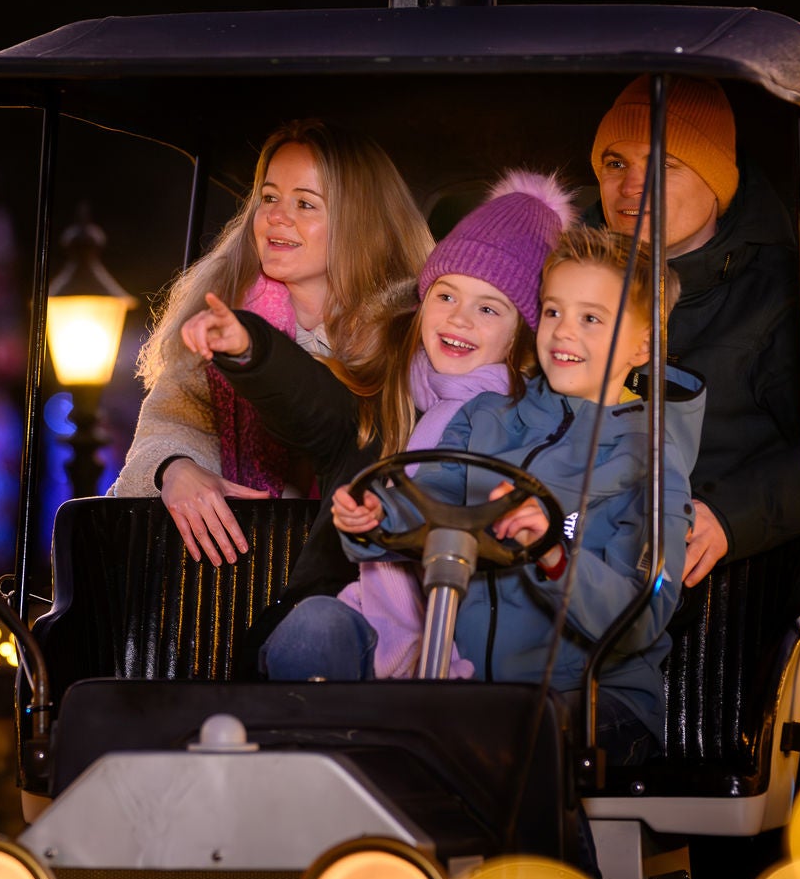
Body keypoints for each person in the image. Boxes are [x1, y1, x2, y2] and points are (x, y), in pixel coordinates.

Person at [269, 225, 701, 766]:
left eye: (591, 319)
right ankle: (330, 811)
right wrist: (375, 520)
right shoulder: (487, 419)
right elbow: (432, 498)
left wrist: (553, 555)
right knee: (313, 629)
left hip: (591, 698)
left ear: (643, 343)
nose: (564, 333)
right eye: (552, 312)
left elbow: (644, 613)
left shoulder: (649, 461)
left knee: (510, 732)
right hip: (469, 692)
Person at [183, 171, 572, 670]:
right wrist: (249, 349)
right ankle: (312, 739)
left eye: (489, 309)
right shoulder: (382, 408)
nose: (459, 319)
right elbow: (311, 403)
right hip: (357, 630)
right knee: (314, 628)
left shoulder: (535, 433)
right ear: (422, 303)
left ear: (524, 335)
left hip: (473, 639)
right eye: (446, 296)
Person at [590, 75, 800, 585]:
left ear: (716, 179)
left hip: (730, 610)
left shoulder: (789, 295)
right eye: (616, 163)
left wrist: (728, 517)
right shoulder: (560, 283)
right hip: (567, 575)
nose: (632, 186)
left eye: (663, 164)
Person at [112, 120, 434, 566]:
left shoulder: (406, 337)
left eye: (305, 203)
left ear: (357, 221)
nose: (277, 216)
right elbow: (167, 427)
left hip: (354, 573)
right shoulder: (223, 313)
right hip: (239, 569)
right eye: (269, 198)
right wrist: (177, 468)